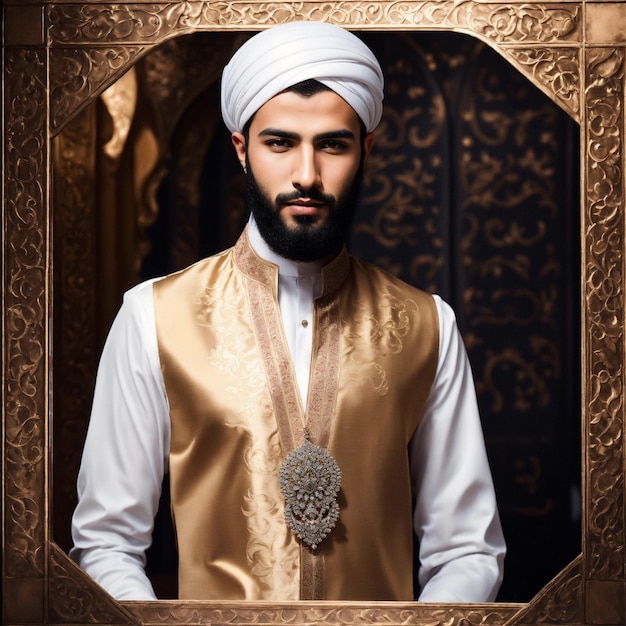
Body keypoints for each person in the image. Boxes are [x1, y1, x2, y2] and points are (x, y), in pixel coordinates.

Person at [70, 20, 505, 603]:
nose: (306, 174)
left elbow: (465, 549)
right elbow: (106, 544)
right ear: (241, 149)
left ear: (366, 149)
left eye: (332, 144)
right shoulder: (153, 317)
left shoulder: (429, 325)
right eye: (280, 143)